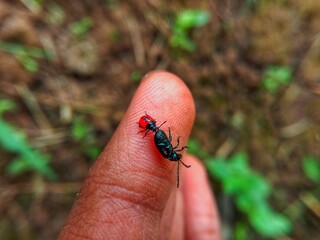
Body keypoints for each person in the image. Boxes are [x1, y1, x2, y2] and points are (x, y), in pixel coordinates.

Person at [59, 71, 221, 239]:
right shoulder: (167, 148)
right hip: (158, 136)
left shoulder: (167, 149)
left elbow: (165, 147)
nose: (179, 158)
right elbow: (166, 146)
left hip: (158, 137)